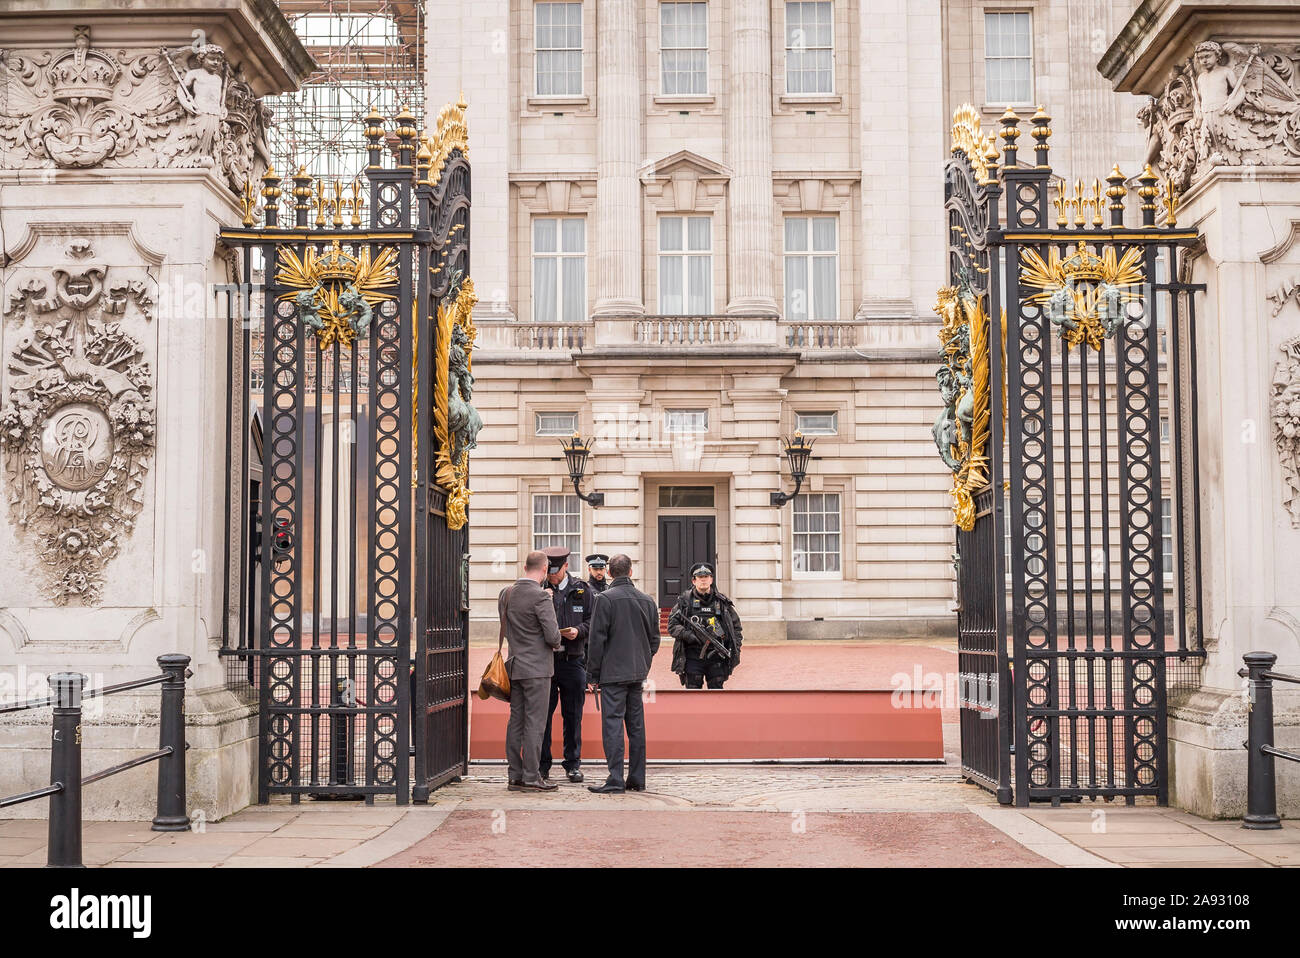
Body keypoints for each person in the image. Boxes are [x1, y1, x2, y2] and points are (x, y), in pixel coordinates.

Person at [584, 554, 660, 794]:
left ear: (609, 573)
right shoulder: (647, 600)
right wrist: (644, 661)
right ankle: (637, 778)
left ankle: (615, 778)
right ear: (630, 572)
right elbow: (655, 639)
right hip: (637, 672)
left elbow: (596, 641)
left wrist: (592, 675)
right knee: (636, 727)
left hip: (612, 674)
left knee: (613, 725)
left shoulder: (605, 599)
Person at [500, 550, 562, 791]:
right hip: (537, 669)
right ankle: (531, 776)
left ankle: (514, 774)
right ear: (545, 569)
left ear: (525, 567)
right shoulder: (541, 597)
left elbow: (506, 628)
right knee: (535, 723)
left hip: (515, 665)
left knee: (515, 721)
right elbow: (553, 637)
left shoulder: (507, 593)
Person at [539, 547, 593, 783]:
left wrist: (578, 631)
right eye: (549, 571)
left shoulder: (582, 590)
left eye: (556, 571)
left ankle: (573, 764)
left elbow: (594, 622)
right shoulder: (539, 590)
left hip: (573, 660)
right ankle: (542, 765)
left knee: (573, 716)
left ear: (566, 566)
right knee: (543, 716)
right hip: (546, 662)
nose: (552, 576)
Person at [668, 563, 742, 689]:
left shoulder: (722, 602)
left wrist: (736, 649)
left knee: (716, 693)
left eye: (706, 576)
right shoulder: (684, 602)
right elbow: (672, 625)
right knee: (693, 694)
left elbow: (736, 629)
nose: (703, 579)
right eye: (700, 577)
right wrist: (687, 635)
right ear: (694, 580)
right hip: (692, 656)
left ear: (711, 580)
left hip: (717, 657)